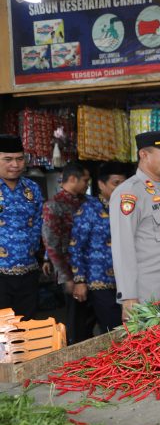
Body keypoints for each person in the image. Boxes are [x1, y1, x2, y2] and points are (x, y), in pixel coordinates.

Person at [110, 131, 160, 321]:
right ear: (144, 155)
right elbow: (122, 247)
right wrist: (128, 296)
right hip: (147, 300)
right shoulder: (129, 193)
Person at [69, 162, 127, 333]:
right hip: (99, 280)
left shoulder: (128, 207)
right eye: (116, 183)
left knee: (130, 325)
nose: (122, 188)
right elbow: (76, 246)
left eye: (125, 183)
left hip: (126, 280)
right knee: (113, 327)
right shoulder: (89, 209)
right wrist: (79, 280)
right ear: (101, 184)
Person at [42, 162, 92, 343]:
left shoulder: (87, 202)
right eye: (85, 180)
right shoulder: (54, 205)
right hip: (70, 269)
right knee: (76, 320)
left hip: (92, 268)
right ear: (72, 179)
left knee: (90, 316)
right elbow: (51, 243)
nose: (87, 184)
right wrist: (67, 277)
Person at [0, 134, 44, 320]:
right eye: (8, 159)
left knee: (27, 326)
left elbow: (40, 223)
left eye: (19, 159)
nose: (15, 164)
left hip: (28, 272)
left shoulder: (32, 188)